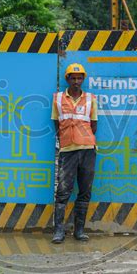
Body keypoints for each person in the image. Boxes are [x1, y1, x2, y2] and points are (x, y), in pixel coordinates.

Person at [51, 63, 98, 244]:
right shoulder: (57, 99)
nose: (76, 81)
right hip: (67, 151)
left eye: (79, 78)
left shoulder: (91, 99)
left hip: (87, 150)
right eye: (73, 78)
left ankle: (79, 231)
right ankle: (59, 232)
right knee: (63, 192)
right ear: (67, 79)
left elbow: (94, 125)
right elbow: (57, 124)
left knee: (85, 191)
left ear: (83, 79)